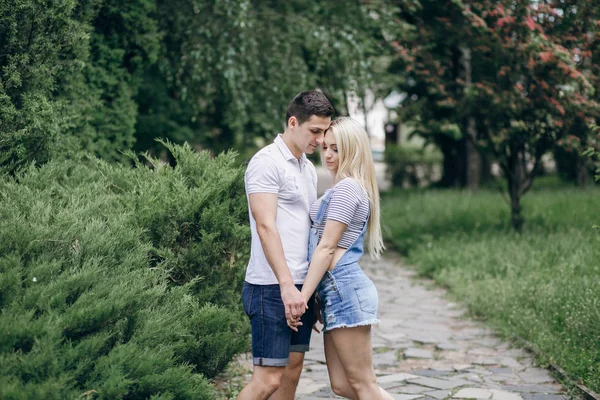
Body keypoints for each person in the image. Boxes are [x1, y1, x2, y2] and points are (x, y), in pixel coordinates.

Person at [236, 91, 334, 400]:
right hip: (271, 287)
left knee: (292, 370)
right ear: (293, 123)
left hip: (299, 288)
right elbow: (266, 226)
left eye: (324, 132)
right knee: (267, 380)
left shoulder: (305, 167)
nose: (319, 139)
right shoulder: (266, 162)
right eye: (314, 131)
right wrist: (287, 285)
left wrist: (308, 291)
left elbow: (304, 229)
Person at [290, 117, 394, 400]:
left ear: (354, 149)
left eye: (336, 148)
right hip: (335, 293)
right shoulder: (344, 188)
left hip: (346, 290)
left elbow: (326, 249)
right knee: (341, 385)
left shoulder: (348, 189)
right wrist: (318, 299)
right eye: (326, 147)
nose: (328, 155)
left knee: (363, 385)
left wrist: (303, 299)